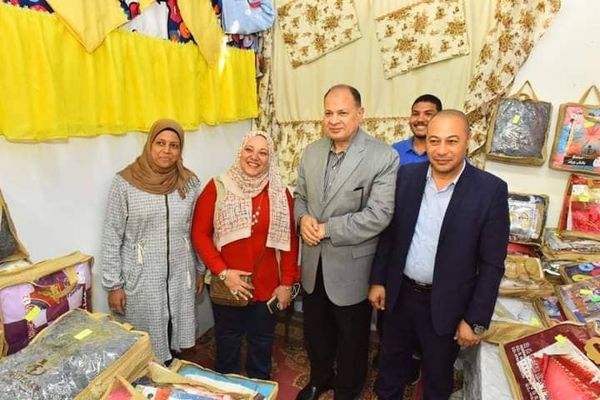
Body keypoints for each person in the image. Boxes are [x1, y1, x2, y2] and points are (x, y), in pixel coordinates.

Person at [369, 110, 510, 400]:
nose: (442, 150)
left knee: (437, 379)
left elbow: (492, 263)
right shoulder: (407, 176)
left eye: (452, 141)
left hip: (448, 304)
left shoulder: (490, 190)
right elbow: (391, 234)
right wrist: (378, 280)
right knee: (390, 368)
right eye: (434, 141)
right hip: (400, 296)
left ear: (468, 140)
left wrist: (475, 319)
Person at [294, 84, 399, 400]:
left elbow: (379, 215)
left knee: (352, 339)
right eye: (328, 113)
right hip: (313, 265)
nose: (334, 120)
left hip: (352, 269)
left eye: (342, 112)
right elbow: (300, 197)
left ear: (360, 114)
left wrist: (326, 229)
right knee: (316, 332)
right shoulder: (312, 151)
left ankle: (347, 390)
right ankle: (320, 378)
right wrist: (302, 219)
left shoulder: (383, 157)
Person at [191, 130, 299, 380]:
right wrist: (223, 272)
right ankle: (228, 390)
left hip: (267, 286)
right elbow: (199, 234)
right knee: (227, 342)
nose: (254, 157)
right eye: (249, 149)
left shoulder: (280, 192)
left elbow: (290, 242)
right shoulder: (218, 186)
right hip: (227, 283)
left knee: (262, 344)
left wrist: (286, 284)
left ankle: (258, 389)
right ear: (240, 152)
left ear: (270, 158)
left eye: (263, 153)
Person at [101, 118, 205, 363]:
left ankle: (170, 374)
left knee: (174, 332)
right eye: (160, 143)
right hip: (142, 276)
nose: (166, 150)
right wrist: (114, 285)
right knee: (145, 341)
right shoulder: (125, 183)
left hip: (180, 273)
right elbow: (112, 235)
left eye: (174, 145)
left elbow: (196, 229)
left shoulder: (189, 183)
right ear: (150, 144)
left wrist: (199, 269)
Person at [392, 94, 443, 165]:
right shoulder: (395, 150)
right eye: (415, 114)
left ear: (440, 118)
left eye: (428, 114)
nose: (420, 119)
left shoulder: (444, 152)